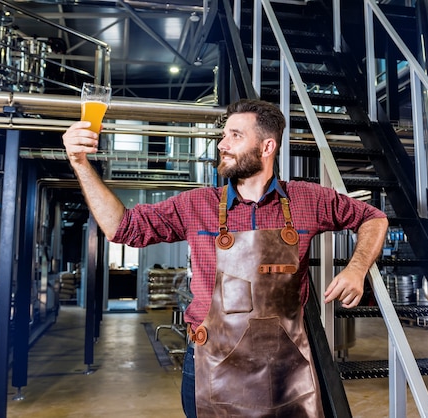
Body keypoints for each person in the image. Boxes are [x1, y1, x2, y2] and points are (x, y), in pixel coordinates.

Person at [62, 98, 388, 417]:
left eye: (235, 135)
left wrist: (356, 268)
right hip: (211, 364)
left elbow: (373, 217)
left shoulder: (308, 199)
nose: (222, 144)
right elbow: (123, 228)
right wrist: (80, 162)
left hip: (285, 369)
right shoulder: (197, 205)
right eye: (223, 135)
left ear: (267, 147)